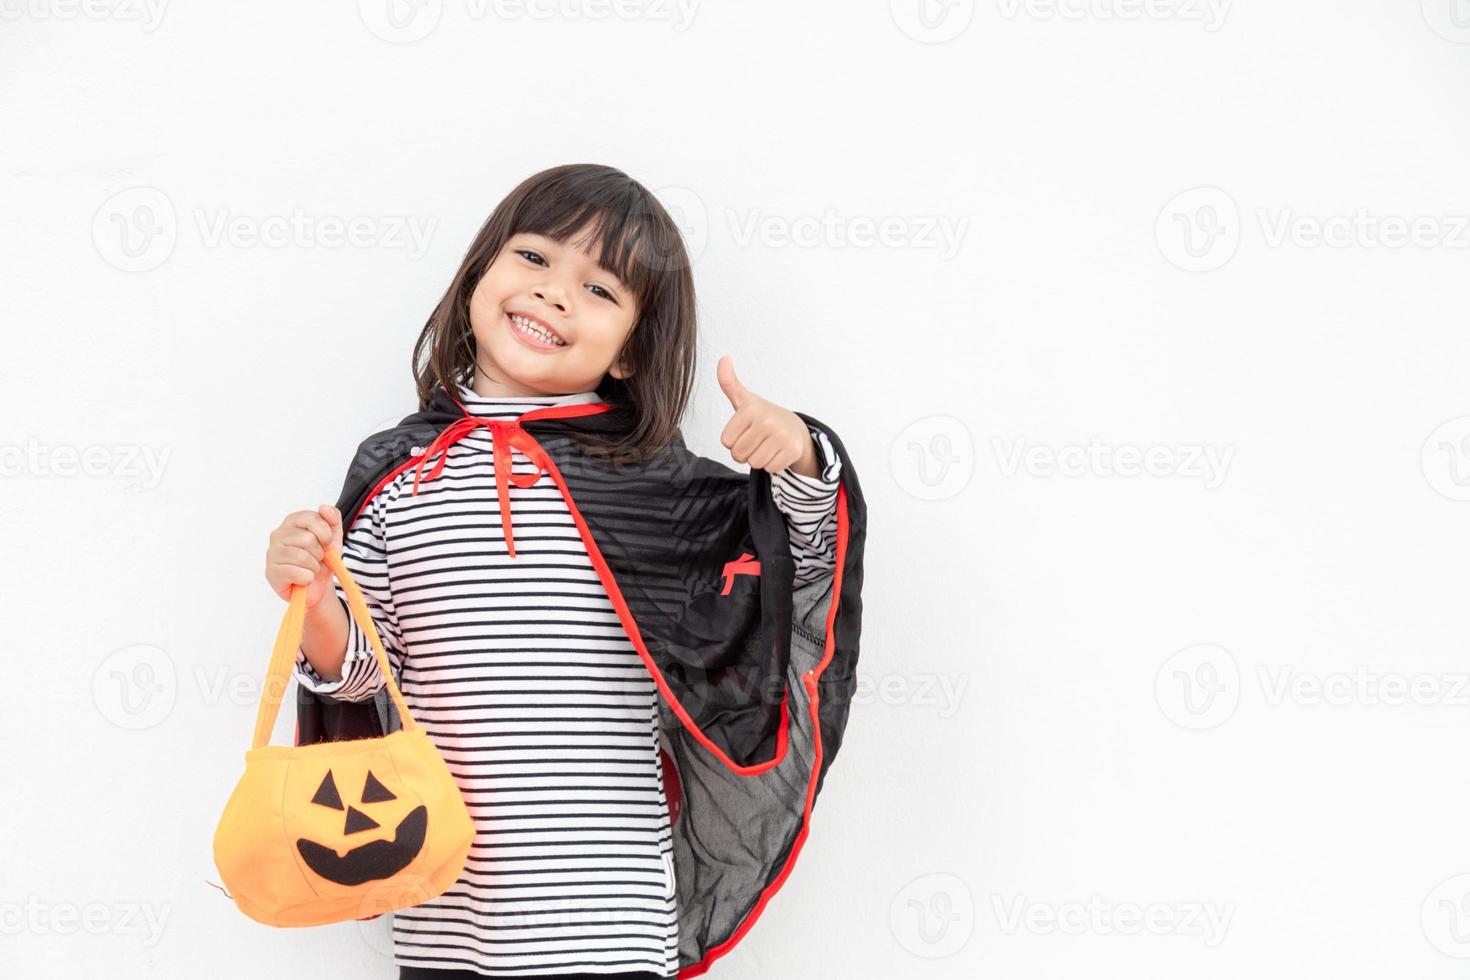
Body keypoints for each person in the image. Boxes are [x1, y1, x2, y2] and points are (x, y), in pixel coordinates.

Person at [262, 164, 849, 979]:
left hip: (609, 916)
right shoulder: (397, 472)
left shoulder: (658, 492)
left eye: (600, 288)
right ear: (481, 275)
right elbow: (364, 678)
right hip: (448, 911)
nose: (555, 294)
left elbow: (798, 564)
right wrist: (317, 604)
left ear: (632, 356)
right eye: (534, 258)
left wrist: (803, 457)